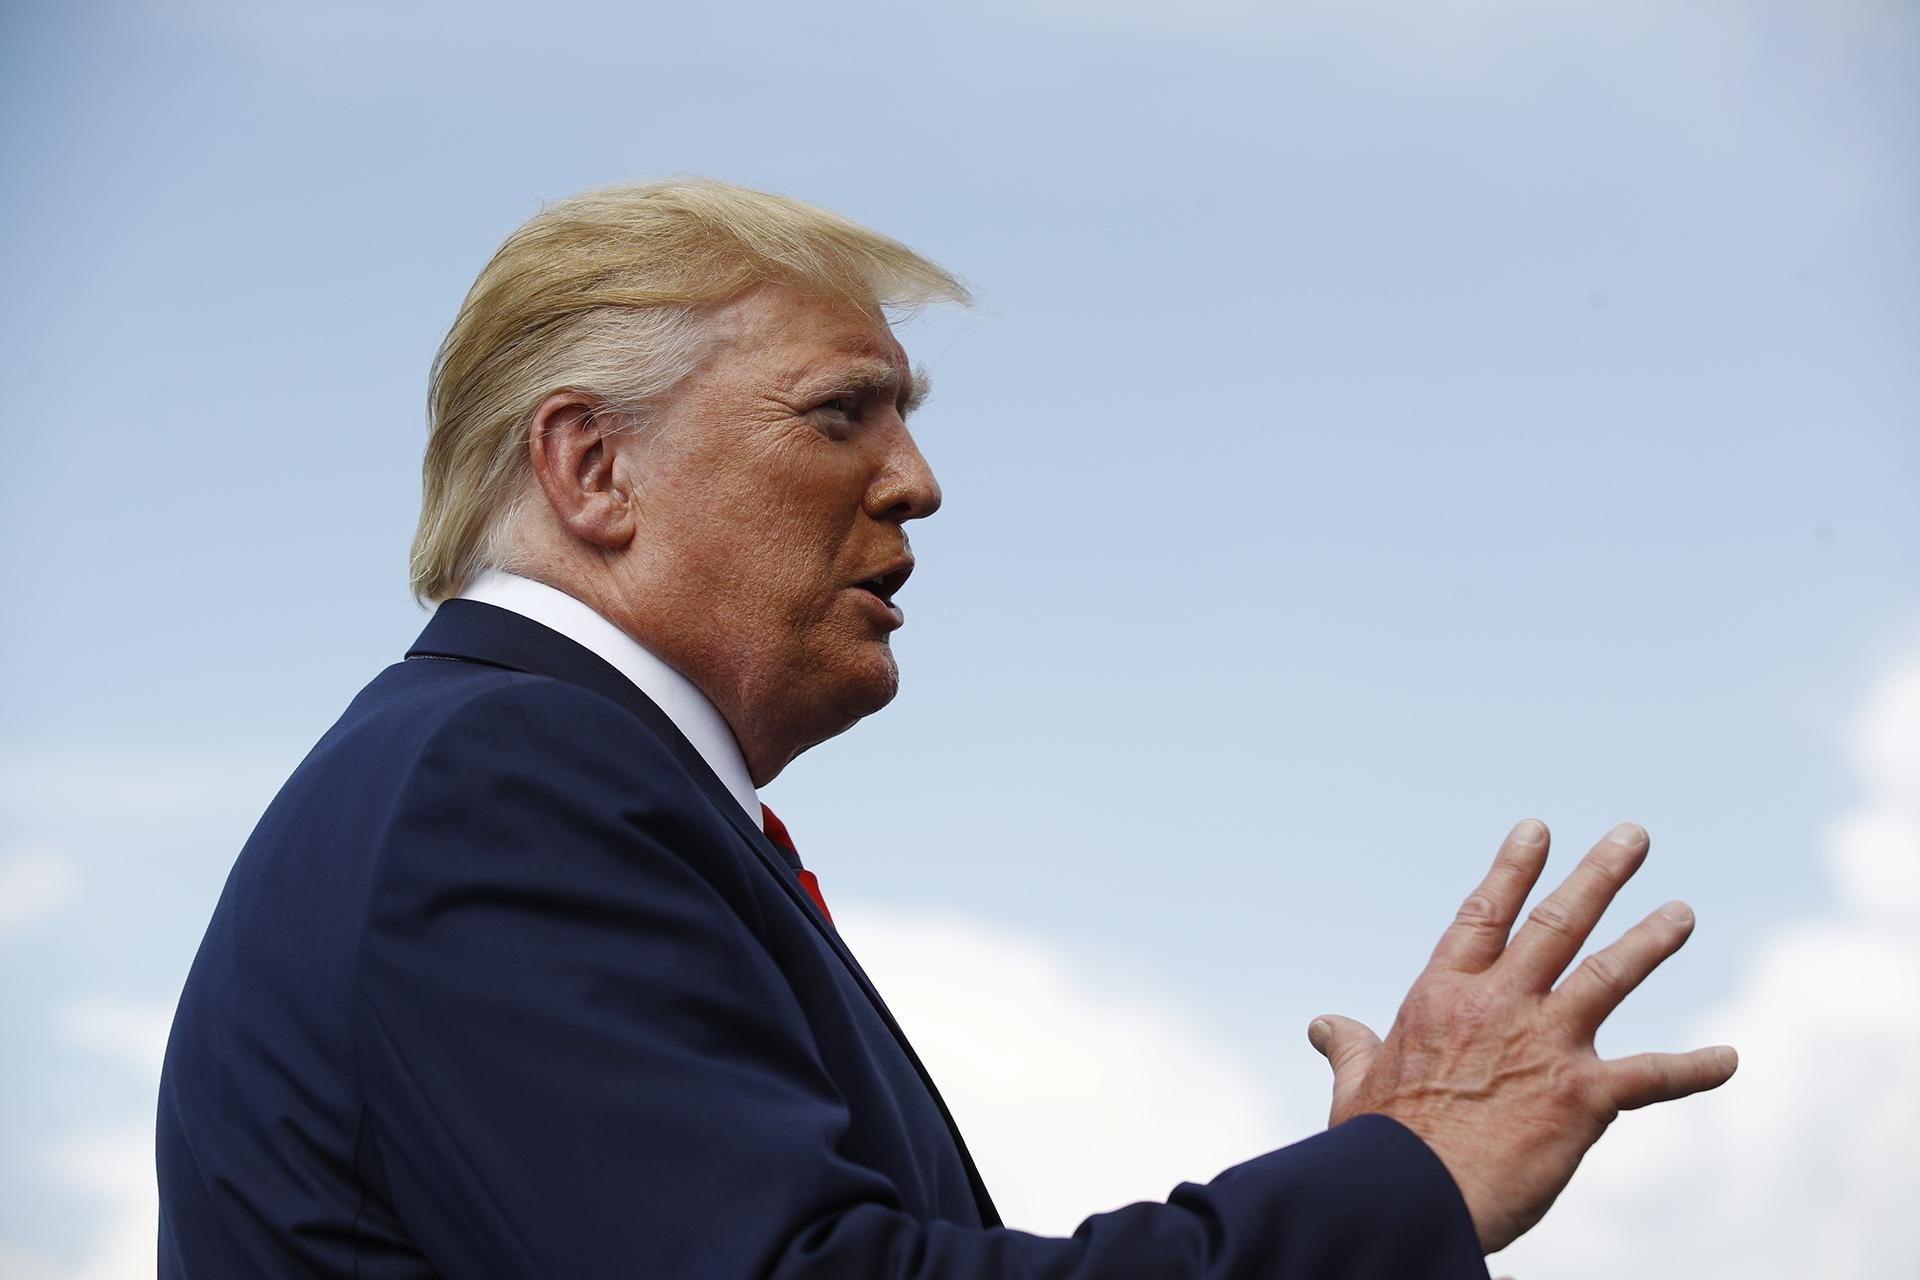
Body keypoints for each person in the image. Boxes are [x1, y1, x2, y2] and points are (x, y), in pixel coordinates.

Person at [156, 179, 1737, 1278]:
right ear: (593, 470)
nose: (916, 480)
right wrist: (1403, 1183)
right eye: (843, 412)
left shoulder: (521, 784)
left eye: (908, 419)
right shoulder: (500, 783)